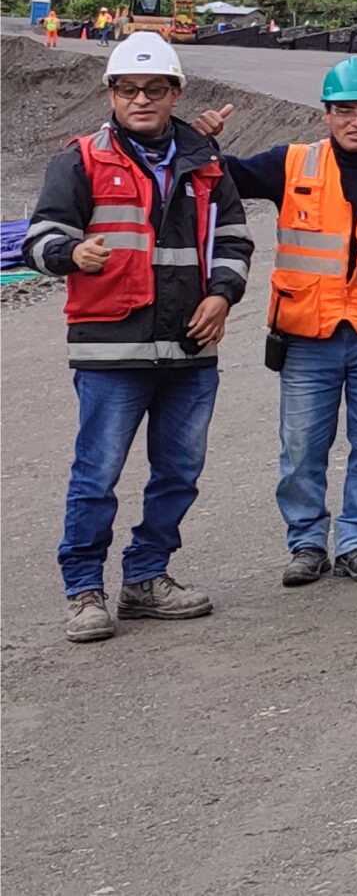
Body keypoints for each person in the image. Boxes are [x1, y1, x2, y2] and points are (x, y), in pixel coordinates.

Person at [27, 33, 251, 643]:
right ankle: (84, 591)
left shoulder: (204, 161)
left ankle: (147, 578)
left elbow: (233, 239)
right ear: (112, 94)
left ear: (175, 92)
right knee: (96, 475)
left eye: (155, 89)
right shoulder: (81, 159)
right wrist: (72, 252)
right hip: (110, 350)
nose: (142, 99)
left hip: (189, 348)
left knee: (179, 471)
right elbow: (38, 237)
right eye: (129, 89)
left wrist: (221, 294)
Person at [219, 57, 357, 587]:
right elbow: (222, 174)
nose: (356, 120)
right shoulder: (290, 164)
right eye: (344, 110)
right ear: (327, 114)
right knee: (300, 449)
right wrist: (195, 136)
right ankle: (308, 544)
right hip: (307, 335)